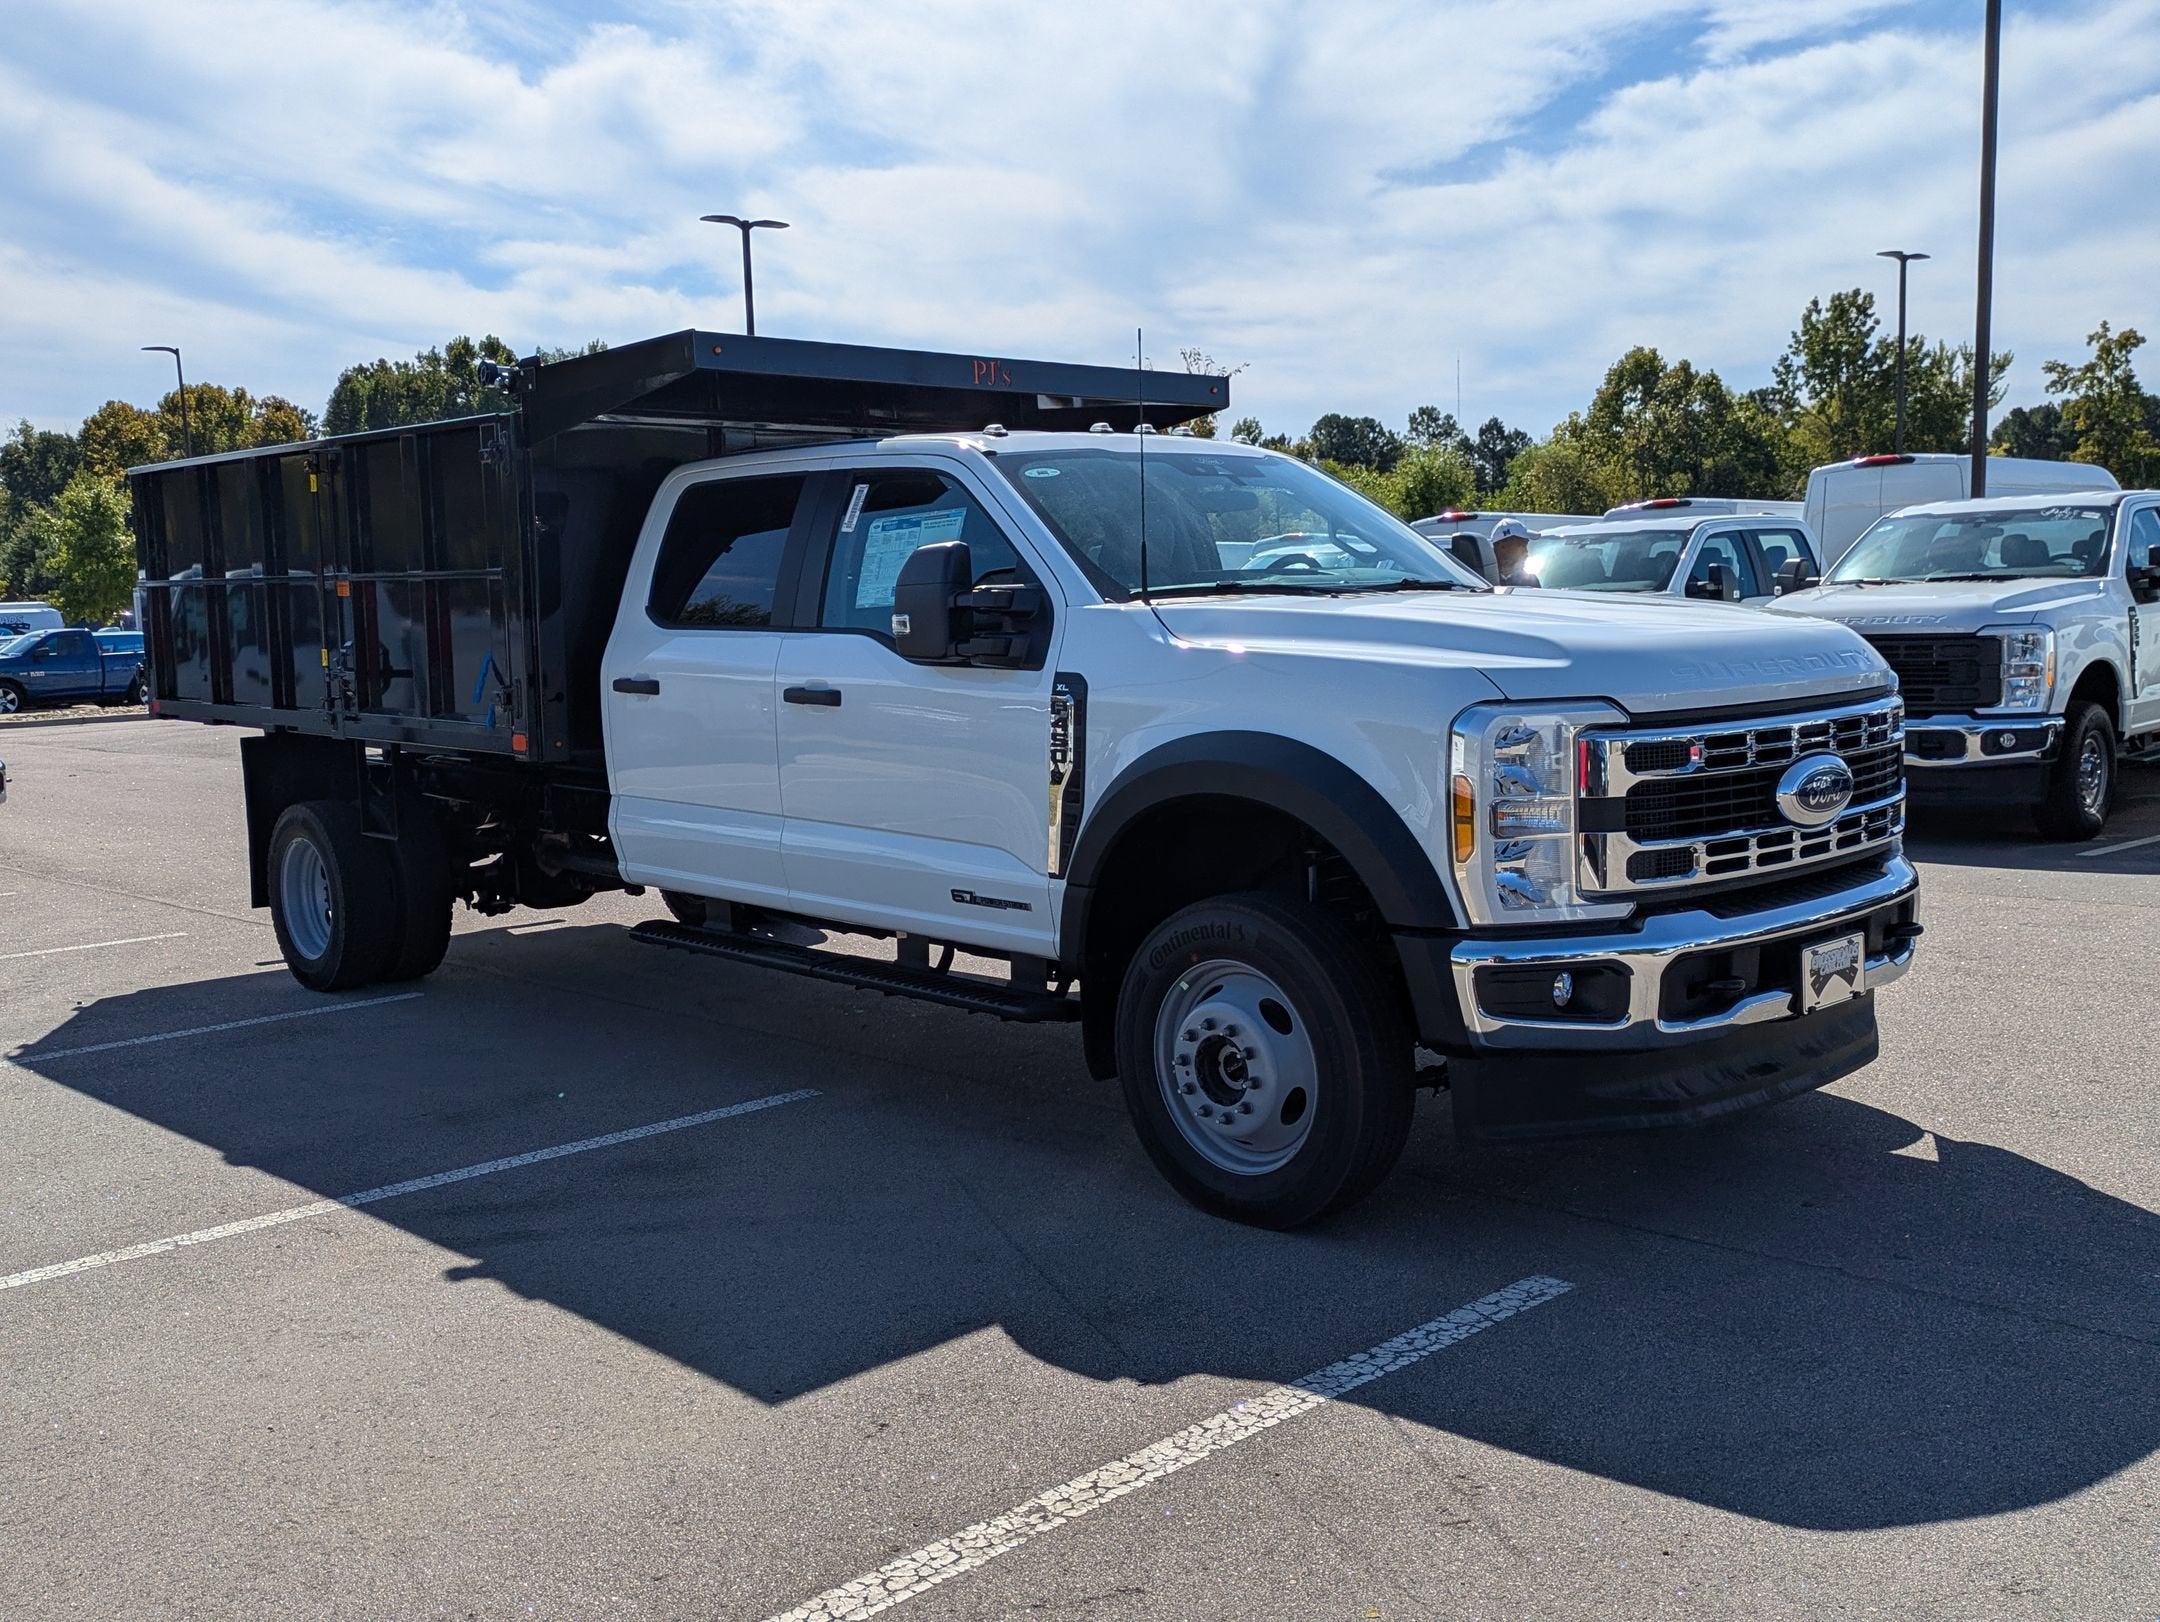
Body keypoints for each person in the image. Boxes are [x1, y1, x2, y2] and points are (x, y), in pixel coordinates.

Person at [1488, 518, 1535, 585]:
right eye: (1523, 545)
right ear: (1503, 547)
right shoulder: (1481, 580)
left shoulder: (1530, 581)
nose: (1526, 552)